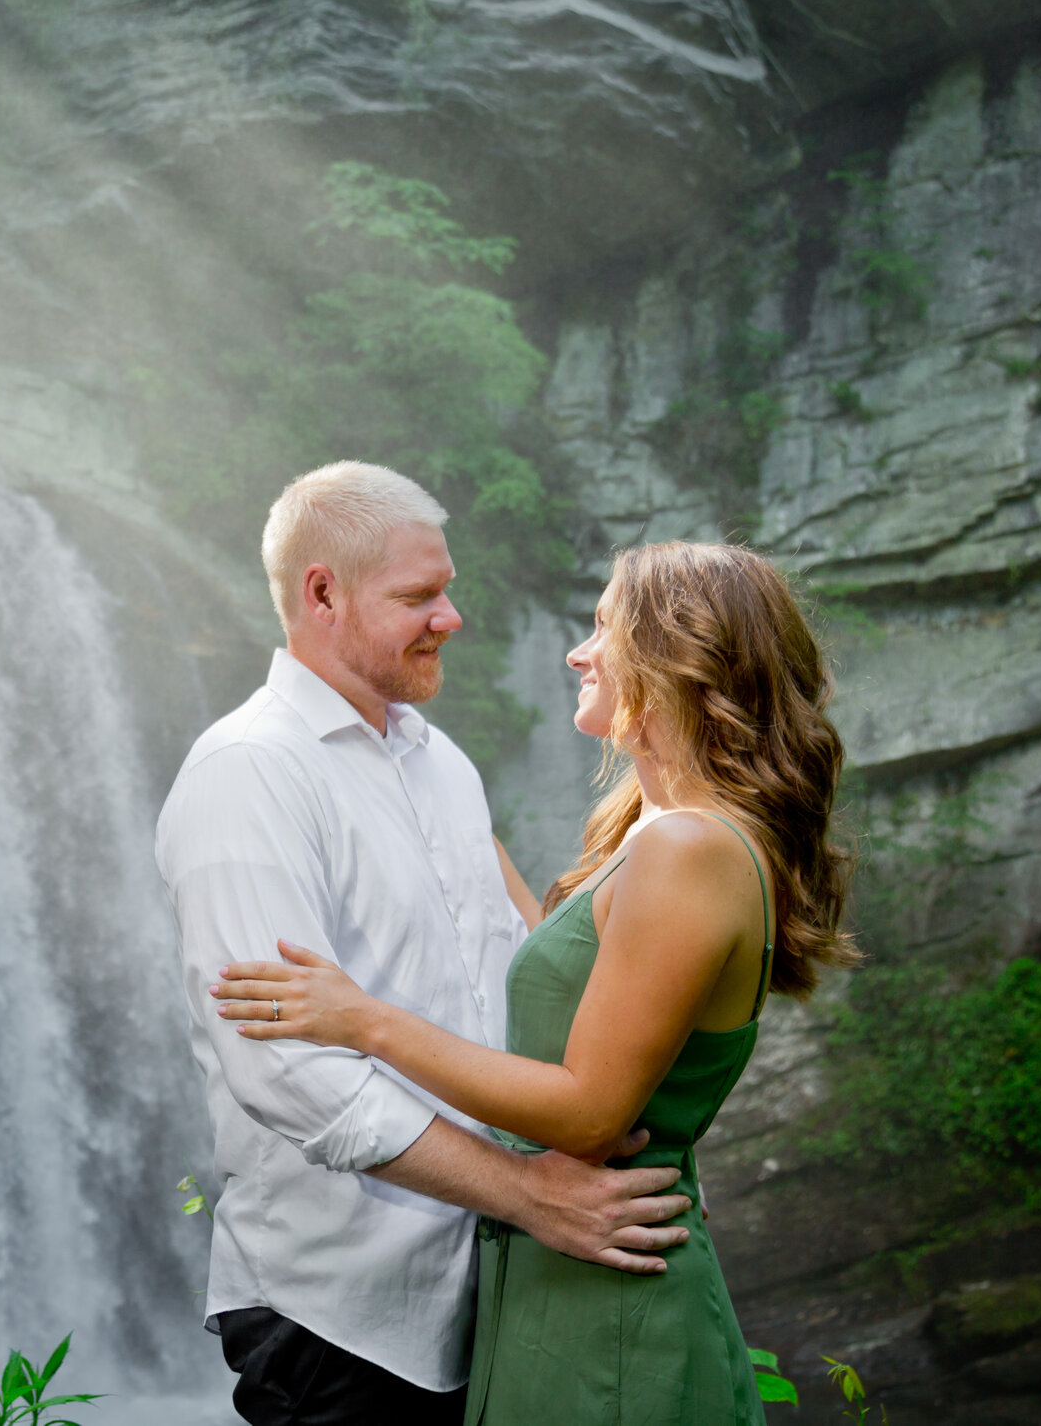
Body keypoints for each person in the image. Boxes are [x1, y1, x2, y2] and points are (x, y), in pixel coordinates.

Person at [214, 541, 859, 1426]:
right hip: (561, 1281)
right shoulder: (657, 832)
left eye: (603, 627)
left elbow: (589, 1111)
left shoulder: (690, 849)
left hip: (611, 1306)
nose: (578, 651)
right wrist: (399, 775)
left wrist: (364, 1021)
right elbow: (534, 938)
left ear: (680, 655)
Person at [157, 463, 698, 1426]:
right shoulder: (249, 774)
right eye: (419, 595)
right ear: (322, 593)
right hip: (341, 1317)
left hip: (492, 1290)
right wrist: (531, 1194)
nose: (450, 616)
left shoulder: (440, 762)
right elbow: (287, 1075)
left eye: (445, 589)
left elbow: (509, 975)